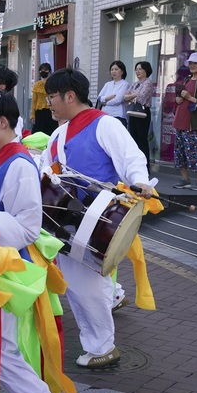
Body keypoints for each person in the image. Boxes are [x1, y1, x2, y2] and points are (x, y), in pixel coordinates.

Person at [40, 67, 153, 368]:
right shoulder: (58, 133)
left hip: (95, 221)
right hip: (66, 224)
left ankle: (103, 346)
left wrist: (139, 181)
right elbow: (44, 168)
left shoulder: (107, 125)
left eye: (52, 96)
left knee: (88, 287)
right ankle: (98, 342)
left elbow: (131, 158)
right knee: (78, 287)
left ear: (70, 96)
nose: (48, 102)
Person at [0, 91, 58, 393]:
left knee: (0, 344)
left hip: (3, 266)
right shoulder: (0, 156)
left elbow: (27, 228)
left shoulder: (18, 162)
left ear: (3, 122)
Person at [171, 53, 197, 190]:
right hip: (180, 121)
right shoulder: (187, 79)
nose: (192, 65)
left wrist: (191, 98)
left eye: (195, 63)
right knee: (180, 153)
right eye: (190, 63)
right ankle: (185, 180)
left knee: (196, 153)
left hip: (194, 124)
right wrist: (177, 99)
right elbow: (181, 97)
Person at [124, 61, 156, 174]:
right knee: (133, 140)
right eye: (136, 69)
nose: (138, 71)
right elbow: (125, 98)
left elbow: (141, 99)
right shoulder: (134, 84)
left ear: (146, 70)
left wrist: (132, 96)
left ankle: (145, 167)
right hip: (132, 112)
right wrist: (136, 94)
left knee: (142, 140)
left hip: (143, 114)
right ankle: (135, 166)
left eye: (140, 69)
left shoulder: (148, 82)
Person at [97, 60, 129, 127]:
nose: (113, 71)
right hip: (104, 115)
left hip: (117, 116)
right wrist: (107, 98)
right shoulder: (107, 84)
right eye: (112, 69)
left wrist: (105, 102)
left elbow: (118, 100)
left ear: (122, 71)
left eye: (116, 69)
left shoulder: (124, 84)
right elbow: (99, 97)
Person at [31, 63, 57, 135]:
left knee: (51, 132)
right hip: (39, 112)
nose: (43, 72)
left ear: (49, 71)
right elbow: (34, 101)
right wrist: (32, 115)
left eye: (45, 70)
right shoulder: (37, 85)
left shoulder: (53, 84)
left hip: (51, 111)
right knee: (38, 133)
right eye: (41, 70)